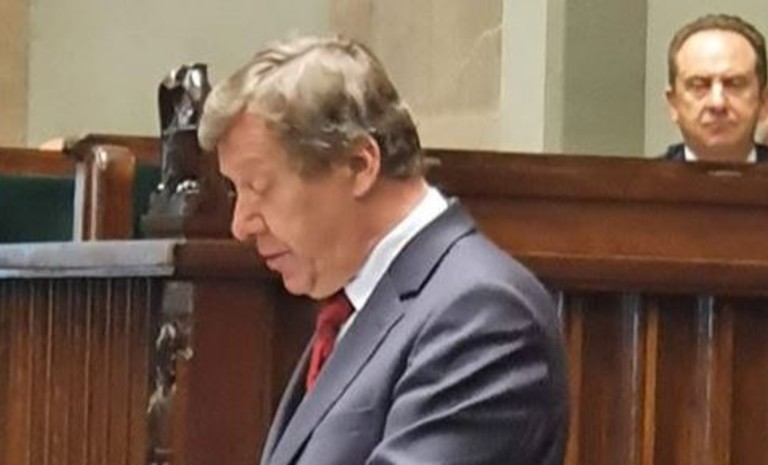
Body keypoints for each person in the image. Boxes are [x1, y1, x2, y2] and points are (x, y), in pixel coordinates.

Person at [198, 36, 568, 465]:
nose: (240, 225)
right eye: (236, 191)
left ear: (359, 165)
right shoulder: (358, 302)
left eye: (259, 187)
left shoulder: (482, 313)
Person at [663, 14, 768, 162]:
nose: (717, 103)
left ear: (763, 101)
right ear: (673, 104)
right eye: (698, 85)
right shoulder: (637, 177)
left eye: (735, 84)